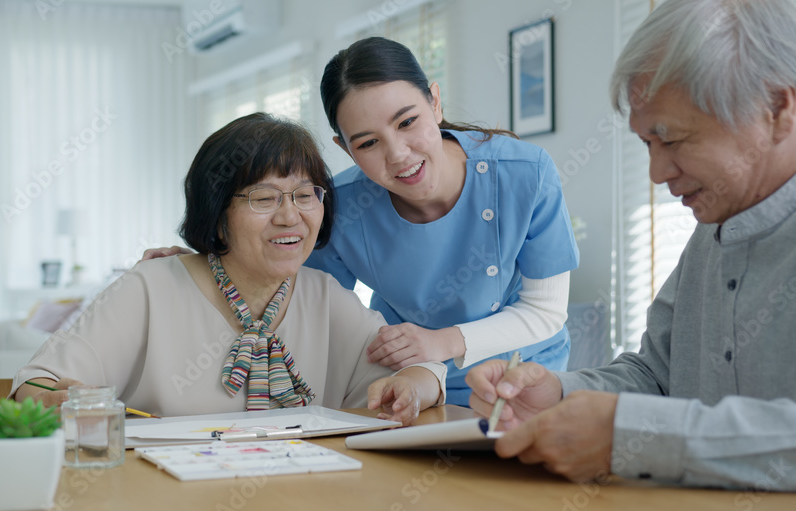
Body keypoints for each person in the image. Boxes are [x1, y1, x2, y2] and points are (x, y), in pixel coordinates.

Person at [467, 0, 796, 490]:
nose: (657, 174)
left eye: (672, 139)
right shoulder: (717, 222)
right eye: (647, 146)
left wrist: (635, 437)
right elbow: (658, 376)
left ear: (778, 109)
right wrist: (560, 394)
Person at [145, 37, 580, 407]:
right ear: (344, 147)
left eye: (408, 121)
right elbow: (288, 296)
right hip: (411, 388)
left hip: (522, 385)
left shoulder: (525, 173)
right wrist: (203, 266)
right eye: (368, 142)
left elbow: (545, 311)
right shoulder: (343, 205)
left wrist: (441, 341)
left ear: (434, 101)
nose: (398, 155)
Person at [13, 113, 446, 424]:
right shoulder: (151, 286)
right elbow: (37, 385)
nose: (289, 216)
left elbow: (417, 371)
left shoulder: (324, 296)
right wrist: (66, 398)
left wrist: (413, 387)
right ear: (218, 212)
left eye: (304, 194)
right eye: (263, 198)